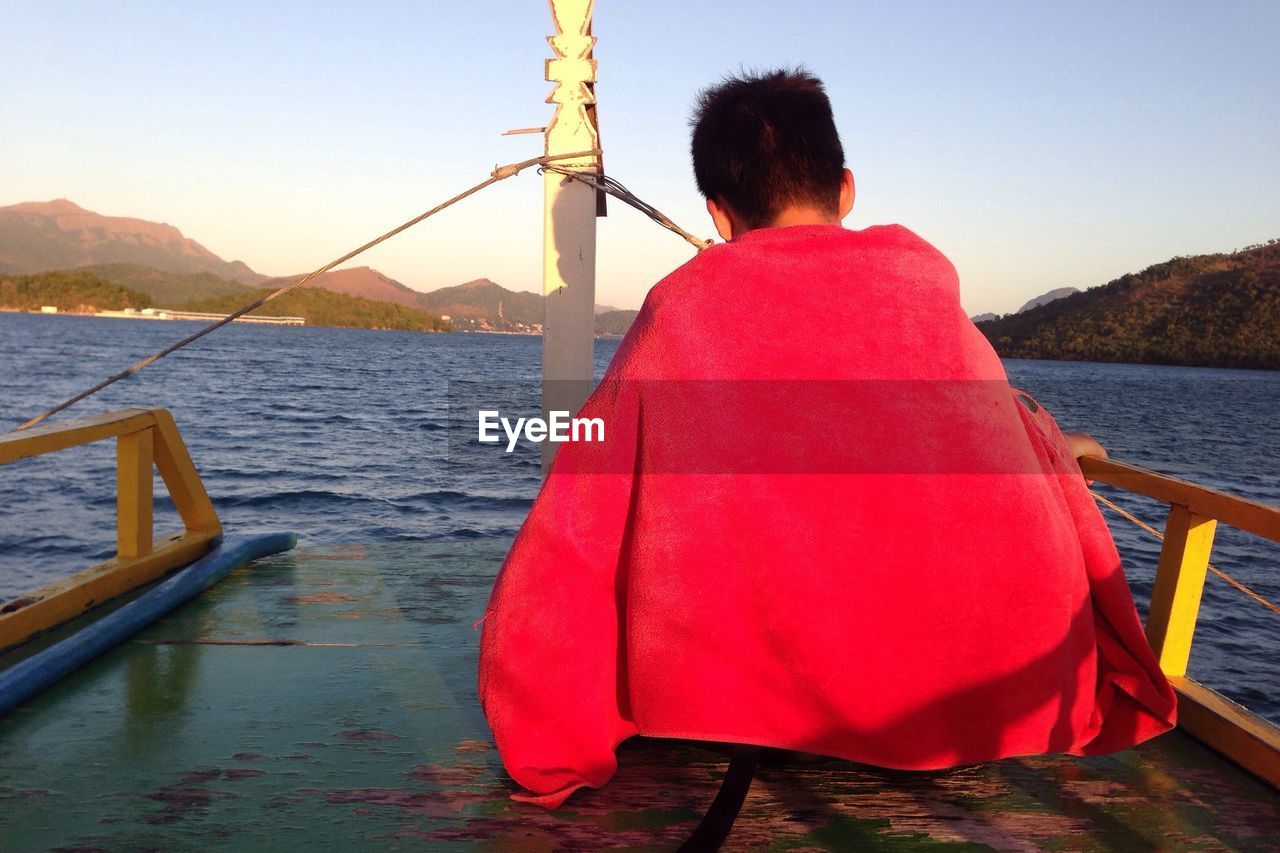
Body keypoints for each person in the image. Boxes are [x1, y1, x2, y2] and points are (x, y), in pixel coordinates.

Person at [478, 68, 1175, 809]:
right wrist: (1067, 446)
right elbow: (991, 434)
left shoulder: (681, 312)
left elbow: (579, 524)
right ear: (846, 189)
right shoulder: (928, 297)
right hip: (990, 714)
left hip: (751, 726)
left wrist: (548, 737)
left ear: (718, 213)